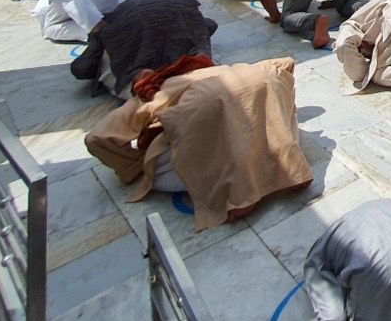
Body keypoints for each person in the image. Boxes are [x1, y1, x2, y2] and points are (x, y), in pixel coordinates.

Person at [85, 57, 312, 230]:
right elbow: (288, 62)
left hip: (224, 136)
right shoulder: (223, 69)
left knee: (159, 168)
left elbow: (96, 138)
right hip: (266, 93)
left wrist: (131, 164)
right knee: (256, 120)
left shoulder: (159, 92)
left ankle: (241, 193)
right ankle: (287, 166)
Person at [70, 0, 217, 98]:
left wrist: (95, 40)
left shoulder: (109, 22)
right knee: (195, 41)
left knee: (119, 69)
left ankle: (137, 77)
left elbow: (82, 68)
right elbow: (211, 25)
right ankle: (194, 63)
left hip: (132, 24)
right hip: (178, 3)